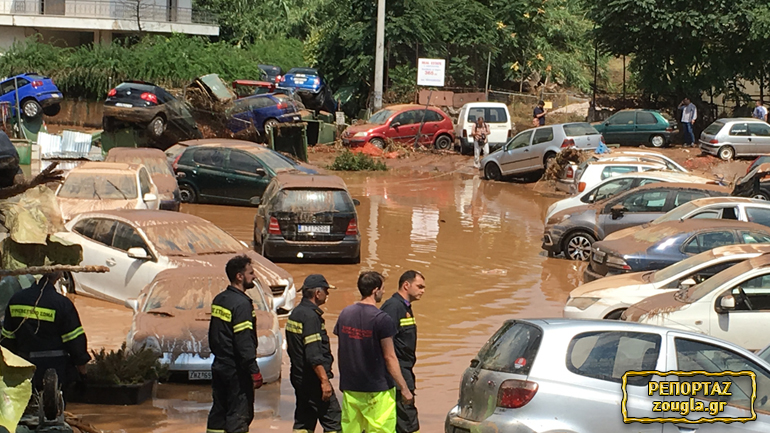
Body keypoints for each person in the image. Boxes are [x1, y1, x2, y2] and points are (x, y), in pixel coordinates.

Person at [334, 271, 413, 433]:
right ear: (375, 290)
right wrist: (404, 388)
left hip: (351, 388)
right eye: (382, 289)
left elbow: (342, 349)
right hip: (378, 390)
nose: (384, 292)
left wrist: (344, 381)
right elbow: (390, 357)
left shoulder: (345, 314)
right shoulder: (381, 319)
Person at [0, 272, 90, 391]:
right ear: (58, 277)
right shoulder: (62, 304)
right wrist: (83, 375)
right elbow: (75, 342)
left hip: (23, 367)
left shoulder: (16, 299)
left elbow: (7, 339)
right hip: (55, 369)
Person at [207, 255, 262, 433]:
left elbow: (214, 335)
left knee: (219, 411)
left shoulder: (220, 299)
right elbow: (244, 341)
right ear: (239, 276)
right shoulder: (242, 305)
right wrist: (254, 370)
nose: (254, 277)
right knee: (239, 414)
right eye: (251, 273)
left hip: (219, 365)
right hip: (237, 370)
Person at [286, 274, 341, 433]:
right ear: (317, 293)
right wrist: (324, 381)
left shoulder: (296, 313)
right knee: (334, 421)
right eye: (325, 290)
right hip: (313, 379)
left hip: (299, 376)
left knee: (304, 420)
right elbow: (313, 355)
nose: (327, 294)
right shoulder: (311, 317)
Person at [380, 271, 426, 433]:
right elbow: (385, 344)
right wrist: (403, 385)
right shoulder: (393, 307)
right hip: (396, 374)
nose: (423, 291)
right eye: (419, 286)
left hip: (405, 370)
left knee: (402, 421)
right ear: (406, 285)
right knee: (408, 422)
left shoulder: (404, 307)